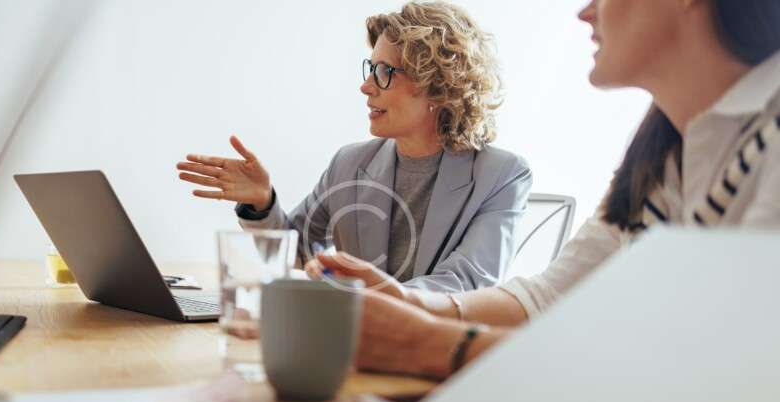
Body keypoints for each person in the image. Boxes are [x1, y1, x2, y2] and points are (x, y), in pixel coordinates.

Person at [315, 0, 780, 379]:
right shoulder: (663, 154)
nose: (585, 12)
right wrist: (408, 302)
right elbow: (547, 297)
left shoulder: (766, 143)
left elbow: (727, 368)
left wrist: (426, 342)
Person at [176, 2, 532, 292]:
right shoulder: (350, 162)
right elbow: (299, 250)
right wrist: (261, 203)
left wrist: (371, 295)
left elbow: (467, 282)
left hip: (438, 348)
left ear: (438, 85)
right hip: (355, 341)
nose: (366, 86)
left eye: (385, 72)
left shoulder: (501, 175)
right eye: (370, 68)